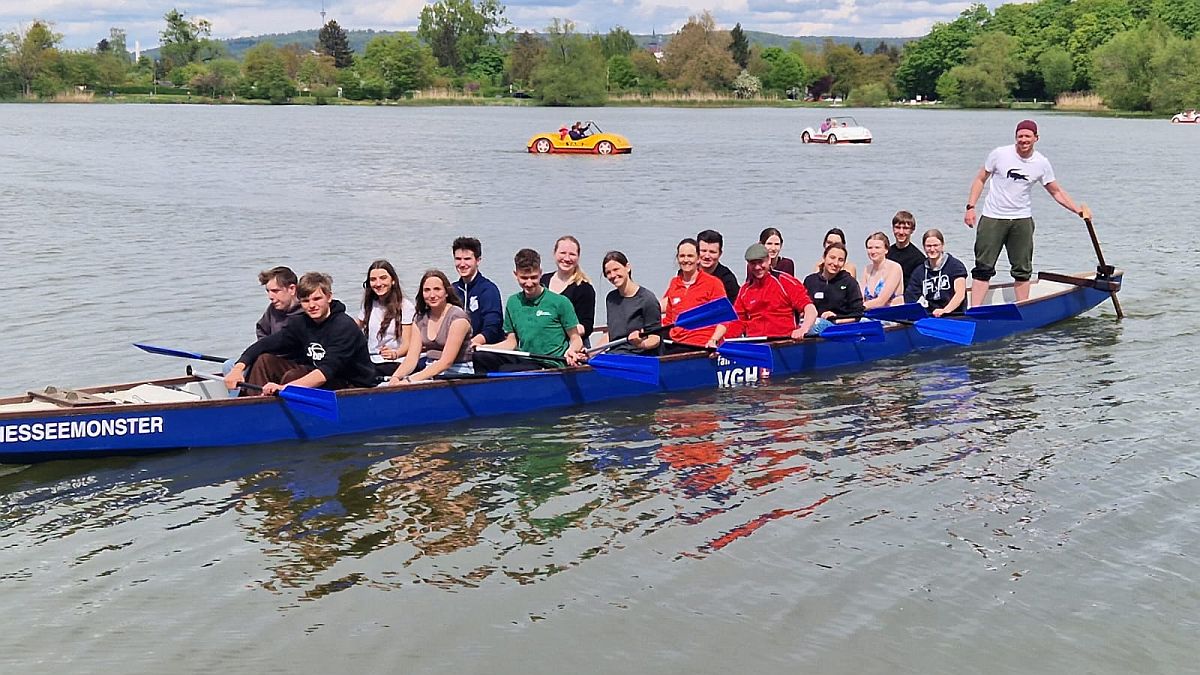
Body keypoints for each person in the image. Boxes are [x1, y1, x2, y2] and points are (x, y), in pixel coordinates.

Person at [964, 119, 1088, 303]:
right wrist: (970, 207)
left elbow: (1056, 191)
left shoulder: (1041, 163)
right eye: (1020, 136)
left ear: (1036, 138)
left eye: (1027, 136)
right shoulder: (999, 154)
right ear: (1016, 137)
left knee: (1022, 269)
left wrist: (1077, 209)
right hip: (993, 217)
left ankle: (1023, 307)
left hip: (1021, 220)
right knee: (983, 267)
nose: (1023, 140)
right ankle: (975, 309)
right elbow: (980, 179)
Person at [224, 272, 376, 394]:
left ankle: (275, 407)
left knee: (293, 376)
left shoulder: (343, 326)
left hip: (351, 383)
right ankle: (253, 404)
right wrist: (238, 369)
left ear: (329, 297)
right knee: (264, 360)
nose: (312, 306)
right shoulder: (300, 322)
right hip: (320, 372)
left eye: (317, 299)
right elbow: (265, 344)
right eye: (305, 301)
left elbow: (325, 372)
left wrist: (285, 388)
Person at [472, 248, 586, 372]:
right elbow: (511, 343)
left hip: (550, 363)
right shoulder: (513, 302)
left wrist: (571, 350)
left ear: (540, 273)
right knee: (480, 357)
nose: (529, 283)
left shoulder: (560, 302)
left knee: (506, 370)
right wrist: (483, 347)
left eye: (533, 277)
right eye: (524, 278)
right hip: (523, 358)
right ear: (515, 274)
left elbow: (576, 339)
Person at [712, 243, 816, 343]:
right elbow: (737, 322)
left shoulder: (785, 281)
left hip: (784, 341)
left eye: (761, 262)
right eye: (753, 263)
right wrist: (719, 341)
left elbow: (809, 308)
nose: (757, 267)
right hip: (756, 343)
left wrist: (803, 329)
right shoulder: (745, 290)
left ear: (769, 260)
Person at [388, 270, 474, 384]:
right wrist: (396, 377)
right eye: (427, 290)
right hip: (430, 373)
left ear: (446, 292)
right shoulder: (420, 319)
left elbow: (446, 362)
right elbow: (411, 358)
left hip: (458, 374)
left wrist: (410, 380)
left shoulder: (458, 318)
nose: (432, 295)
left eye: (437, 289)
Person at [661, 238, 728, 354]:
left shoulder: (713, 283)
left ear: (698, 259)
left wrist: (714, 340)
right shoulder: (674, 283)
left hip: (702, 344)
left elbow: (724, 319)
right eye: (682, 256)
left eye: (690, 256)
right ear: (677, 259)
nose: (686, 260)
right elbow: (668, 320)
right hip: (676, 343)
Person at [355, 260, 414, 377]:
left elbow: (407, 344)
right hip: (371, 359)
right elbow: (355, 326)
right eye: (373, 280)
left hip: (394, 362)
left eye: (383, 278)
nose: (378, 283)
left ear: (392, 280)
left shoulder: (405, 306)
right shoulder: (369, 304)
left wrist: (395, 354)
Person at [598, 251, 662, 355]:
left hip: (638, 356)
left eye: (616, 269)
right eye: (608, 273)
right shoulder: (611, 298)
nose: (613, 275)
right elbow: (612, 334)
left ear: (627, 267)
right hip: (615, 354)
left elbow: (655, 339)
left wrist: (640, 344)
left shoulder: (647, 299)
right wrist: (590, 353)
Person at [541, 235, 596, 346]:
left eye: (572, 254)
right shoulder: (543, 280)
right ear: (554, 253)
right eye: (562, 253)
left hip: (572, 344)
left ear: (578, 257)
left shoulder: (584, 288)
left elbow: (586, 326)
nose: (566, 258)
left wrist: (553, 330)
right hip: (542, 342)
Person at [451, 236, 504, 347]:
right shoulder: (452, 290)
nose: (462, 264)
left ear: (478, 260)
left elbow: (493, 326)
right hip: (455, 347)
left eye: (467, 259)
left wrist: (474, 343)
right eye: (458, 259)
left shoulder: (488, 290)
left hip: (482, 349)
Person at [904, 229, 968, 317]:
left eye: (936, 245)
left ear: (942, 246)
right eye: (928, 246)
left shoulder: (955, 266)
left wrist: (945, 310)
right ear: (924, 247)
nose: (932, 249)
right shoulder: (919, 272)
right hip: (929, 317)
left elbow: (960, 294)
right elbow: (911, 298)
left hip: (954, 315)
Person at [803, 242, 864, 334]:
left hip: (837, 326)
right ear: (824, 257)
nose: (835, 263)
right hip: (813, 322)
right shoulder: (810, 280)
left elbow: (858, 314)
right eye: (832, 258)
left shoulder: (849, 282)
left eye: (840, 260)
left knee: (817, 325)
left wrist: (835, 319)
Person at [860, 232, 905, 310]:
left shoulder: (895, 268)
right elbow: (860, 297)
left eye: (877, 248)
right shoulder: (867, 269)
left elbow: (881, 301)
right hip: (869, 313)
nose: (873, 251)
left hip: (891, 316)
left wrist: (858, 308)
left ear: (886, 250)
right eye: (870, 248)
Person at [254, 266, 302, 339]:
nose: (270, 296)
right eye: (268, 291)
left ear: (292, 289)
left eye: (275, 291)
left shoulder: (308, 310)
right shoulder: (272, 310)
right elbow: (262, 331)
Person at [696, 229, 739, 302]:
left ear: (720, 254)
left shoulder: (728, 279)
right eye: (703, 251)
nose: (707, 256)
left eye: (712, 252)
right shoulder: (686, 273)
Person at [886, 210, 925, 285]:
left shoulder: (918, 258)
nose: (901, 232)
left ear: (912, 230)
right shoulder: (886, 253)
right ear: (893, 228)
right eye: (897, 227)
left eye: (905, 228)